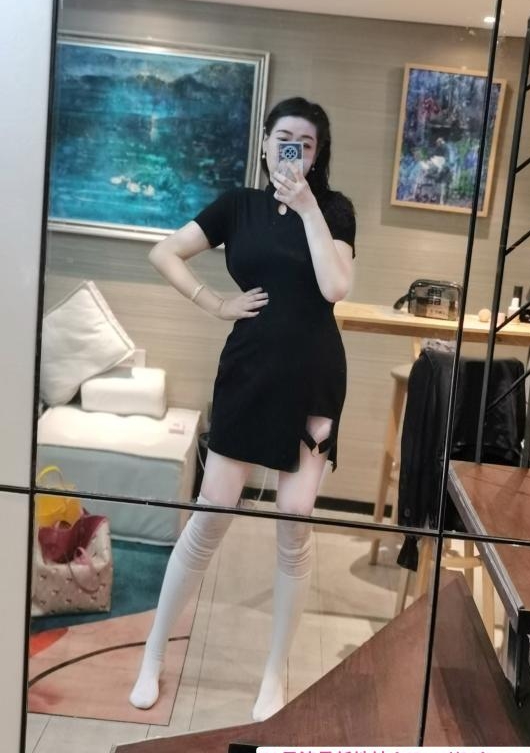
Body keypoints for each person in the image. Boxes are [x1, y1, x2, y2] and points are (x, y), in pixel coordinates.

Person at [129, 96, 356, 721]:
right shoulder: (238, 205)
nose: (293, 150)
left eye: (306, 142)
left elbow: (336, 286)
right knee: (211, 513)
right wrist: (215, 302)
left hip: (314, 375)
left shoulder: (335, 210)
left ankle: (274, 672)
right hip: (249, 369)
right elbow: (164, 252)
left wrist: (307, 207)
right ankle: (153, 652)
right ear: (264, 142)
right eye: (284, 138)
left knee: (294, 521)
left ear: (319, 153)